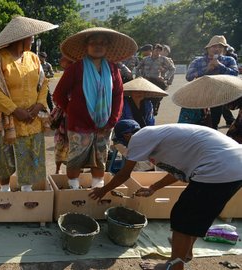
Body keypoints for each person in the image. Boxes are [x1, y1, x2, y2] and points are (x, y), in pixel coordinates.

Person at [90, 120, 242, 270]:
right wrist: (153, 187)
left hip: (218, 167)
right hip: (235, 165)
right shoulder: (158, 138)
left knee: (182, 216)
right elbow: (178, 171)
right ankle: (185, 254)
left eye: (122, 142)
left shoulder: (139, 137)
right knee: (198, 215)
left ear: (128, 135)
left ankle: (175, 266)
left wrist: (103, 190)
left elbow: (124, 174)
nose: (125, 147)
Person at [53, 27, 134, 189]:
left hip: (105, 124)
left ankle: (97, 188)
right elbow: (58, 95)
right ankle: (74, 190)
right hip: (79, 124)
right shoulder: (76, 68)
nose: (98, 46)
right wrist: (73, 111)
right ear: (86, 46)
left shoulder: (112, 69)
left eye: (103, 43)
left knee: (100, 157)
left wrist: (113, 120)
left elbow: (118, 95)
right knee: (76, 158)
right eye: (93, 43)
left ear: (107, 47)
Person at [0, 16, 56, 192]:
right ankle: (5, 191)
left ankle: (26, 191)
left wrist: (39, 105)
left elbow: (44, 82)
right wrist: (15, 110)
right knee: (4, 157)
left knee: (30, 155)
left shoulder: (33, 58)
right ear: (20, 38)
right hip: (7, 118)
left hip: (32, 119)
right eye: (30, 37)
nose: (32, 40)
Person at [181, 35, 238, 129]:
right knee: (197, 123)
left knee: (213, 123)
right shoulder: (198, 61)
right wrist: (206, 69)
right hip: (200, 95)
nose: (217, 49)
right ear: (208, 48)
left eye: (220, 47)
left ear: (224, 49)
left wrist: (220, 66)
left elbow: (235, 74)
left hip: (219, 95)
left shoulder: (229, 60)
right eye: (214, 46)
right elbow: (189, 77)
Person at [136, 44, 175, 115]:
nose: (158, 52)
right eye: (156, 50)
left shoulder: (163, 59)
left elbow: (172, 69)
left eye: (159, 51)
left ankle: (153, 111)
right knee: (145, 99)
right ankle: (148, 112)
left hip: (158, 82)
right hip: (147, 82)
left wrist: (166, 78)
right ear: (152, 50)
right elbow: (137, 68)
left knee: (156, 99)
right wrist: (140, 77)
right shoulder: (146, 59)